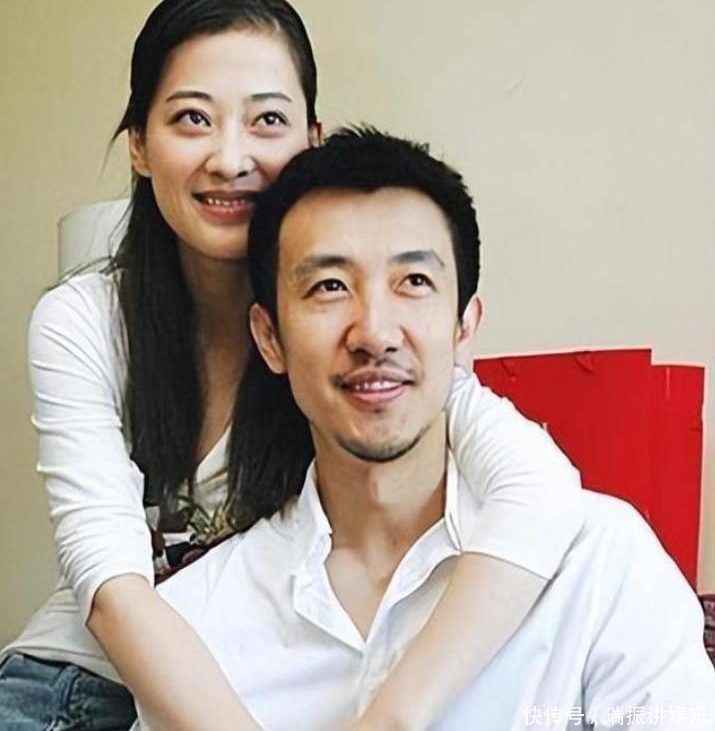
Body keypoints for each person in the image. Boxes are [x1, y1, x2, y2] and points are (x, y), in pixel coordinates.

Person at [0, 0, 583, 731]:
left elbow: (538, 490)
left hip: (259, 687)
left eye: (267, 120)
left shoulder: (344, 327)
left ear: (311, 137)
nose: (230, 158)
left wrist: (397, 714)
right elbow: (111, 587)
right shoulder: (83, 319)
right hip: (77, 690)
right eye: (191, 119)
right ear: (139, 144)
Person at [134, 127, 715, 730]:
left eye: (414, 282)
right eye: (330, 287)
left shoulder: (599, 565)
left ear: (465, 327)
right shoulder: (195, 624)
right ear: (270, 338)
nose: (375, 333)